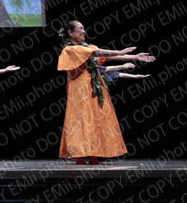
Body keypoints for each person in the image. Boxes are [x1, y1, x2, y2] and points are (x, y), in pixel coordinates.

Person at [57, 20, 155, 164]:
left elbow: (108, 56)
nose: (84, 31)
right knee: (82, 120)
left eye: (84, 28)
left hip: (95, 89)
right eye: (80, 28)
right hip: (80, 91)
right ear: (70, 32)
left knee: (96, 120)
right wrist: (120, 51)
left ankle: (93, 154)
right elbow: (97, 52)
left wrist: (134, 57)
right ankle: (80, 155)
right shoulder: (70, 50)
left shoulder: (88, 47)